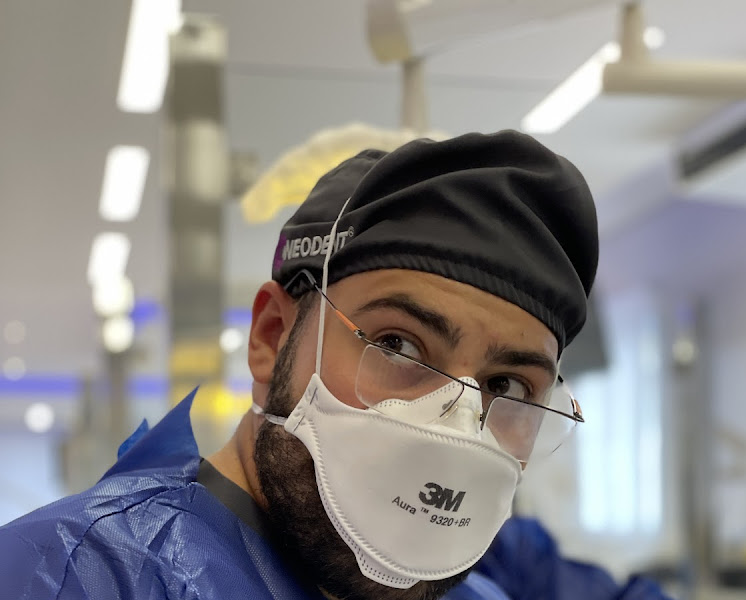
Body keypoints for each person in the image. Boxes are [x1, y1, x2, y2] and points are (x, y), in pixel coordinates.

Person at [0, 131, 670, 599]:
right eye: (399, 345)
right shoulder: (75, 573)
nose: (455, 427)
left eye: (508, 385)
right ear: (271, 338)